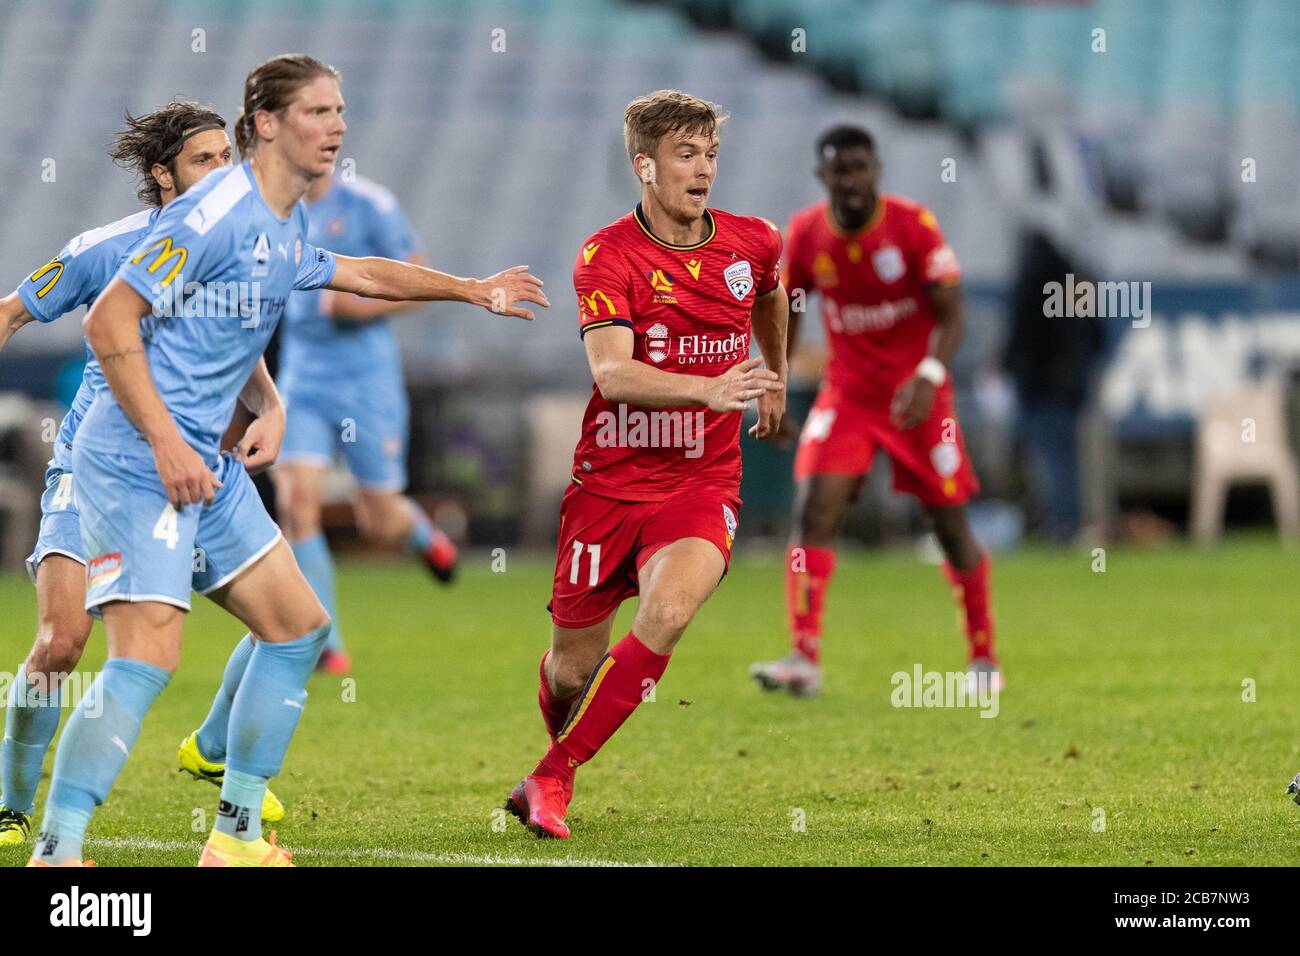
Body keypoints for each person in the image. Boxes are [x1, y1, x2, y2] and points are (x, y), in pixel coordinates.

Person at [31, 53, 546, 867]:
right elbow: (108, 323)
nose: (336, 125)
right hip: (136, 461)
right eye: (316, 111)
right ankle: (57, 854)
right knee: (147, 655)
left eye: (340, 110)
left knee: (298, 628)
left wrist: (472, 288)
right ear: (265, 122)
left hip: (208, 463)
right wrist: (168, 442)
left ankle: (235, 838)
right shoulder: (212, 216)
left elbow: (361, 272)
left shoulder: (285, 219)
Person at [504, 89, 788, 839]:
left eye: (711, 155)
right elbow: (613, 375)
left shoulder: (753, 241)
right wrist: (710, 386)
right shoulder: (608, 255)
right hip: (609, 485)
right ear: (645, 165)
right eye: (686, 155)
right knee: (572, 669)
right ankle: (555, 735)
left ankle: (552, 777)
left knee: (669, 611)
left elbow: (772, 295)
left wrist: (775, 375)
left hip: (701, 481)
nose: (703, 171)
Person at [0, 101, 286, 845]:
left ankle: (220, 760)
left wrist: (271, 406)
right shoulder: (110, 247)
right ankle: (12, 808)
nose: (224, 173)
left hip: (188, 468)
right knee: (63, 646)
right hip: (99, 466)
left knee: (286, 618)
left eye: (229, 157)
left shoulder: (239, 239)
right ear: (162, 175)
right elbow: (9, 314)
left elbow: (238, 335)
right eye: (203, 160)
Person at [749, 125, 1000, 698]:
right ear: (824, 176)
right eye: (840, 170)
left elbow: (952, 315)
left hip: (920, 396)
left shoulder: (914, 226)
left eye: (860, 167)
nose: (852, 179)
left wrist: (928, 376)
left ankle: (984, 655)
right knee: (814, 508)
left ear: (876, 170)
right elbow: (788, 310)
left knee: (950, 525)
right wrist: (778, 383)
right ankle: (803, 657)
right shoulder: (808, 232)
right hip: (850, 397)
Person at [272, 169, 457, 677]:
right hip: (300, 380)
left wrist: (359, 304)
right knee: (296, 504)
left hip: (365, 383)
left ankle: (421, 534)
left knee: (377, 520)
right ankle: (323, 640)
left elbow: (421, 283)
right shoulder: (268, 205)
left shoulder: (370, 205)